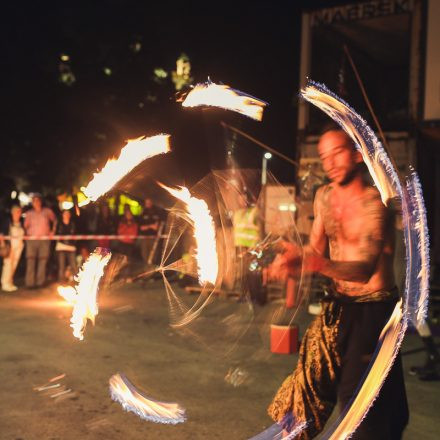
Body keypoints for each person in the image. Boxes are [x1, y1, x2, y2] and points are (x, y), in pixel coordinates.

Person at [267, 128, 408, 439]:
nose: (329, 163)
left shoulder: (376, 204)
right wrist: (293, 261)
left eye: (338, 153)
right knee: (304, 385)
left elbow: (362, 270)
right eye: (324, 157)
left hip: (373, 314)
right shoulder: (324, 197)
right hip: (338, 308)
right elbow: (316, 250)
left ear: (357, 154)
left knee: (361, 403)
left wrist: (314, 264)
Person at [24, 194, 57, 288]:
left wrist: (52, 232)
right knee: (31, 261)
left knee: (42, 261)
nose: (37, 203)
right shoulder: (29, 213)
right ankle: (30, 283)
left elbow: (55, 220)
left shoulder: (47, 212)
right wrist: (27, 235)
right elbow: (25, 226)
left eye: (38, 200)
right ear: (32, 203)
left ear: (41, 202)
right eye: (35, 201)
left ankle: (40, 282)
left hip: (44, 239)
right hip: (32, 240)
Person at [1, 205, 25, 292]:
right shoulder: (7, 222)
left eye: (19, 212)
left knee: (14, 265)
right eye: (16, 212)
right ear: (12, 213)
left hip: (19, 246)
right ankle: (5, 283)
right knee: (8, 265)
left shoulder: (21, 222)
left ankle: (10, 282)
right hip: (10, 246)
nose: (18, 213)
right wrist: (3, 243)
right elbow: (2, 234)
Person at [138, 198, 163, 266]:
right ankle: (146, 269)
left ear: (151, 203)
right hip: (144, 238)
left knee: (153, 255)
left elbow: (156, 227)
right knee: (144, 254)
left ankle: (152, 269)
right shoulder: (142, 213)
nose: (148, 204)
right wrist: (150, 226)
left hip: (153, 238)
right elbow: (141, 228)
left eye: (149, 202)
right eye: (146, 203)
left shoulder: (156, 213)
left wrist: (148, 226)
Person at [55, 209, 77, 282]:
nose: (67, 215)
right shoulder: (59, 224)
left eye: (68, 214)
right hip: (61, 247)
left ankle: (75, 280)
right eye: (65, 213)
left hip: (71, 247)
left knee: (73, 265)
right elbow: (55, 234)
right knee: (62, 266)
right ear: (62, 215)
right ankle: (61, 280)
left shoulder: (73, 224)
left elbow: (75, 235)